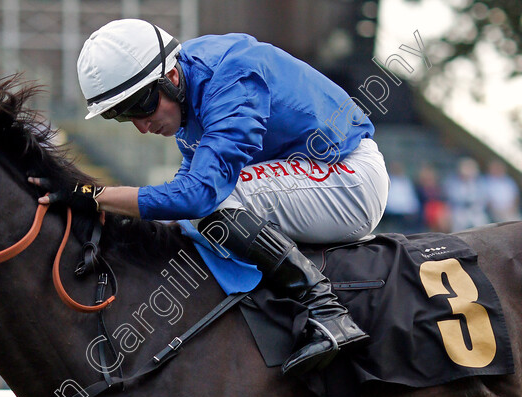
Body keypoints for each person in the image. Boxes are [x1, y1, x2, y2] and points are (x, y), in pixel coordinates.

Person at [30, 19, 389, 376]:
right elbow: (184, 192)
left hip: (348, 176)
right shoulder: (189, 87)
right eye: (120, 116)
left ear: (169, 78)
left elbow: (199, 195)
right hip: (311, 175)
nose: (141, 125)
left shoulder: (232, 76)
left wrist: (95, 196)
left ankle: (326, 309)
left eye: (141, 106)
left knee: (211, 205)